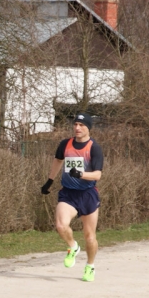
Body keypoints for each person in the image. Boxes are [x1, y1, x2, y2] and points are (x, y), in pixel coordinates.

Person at [40, 112, 104, 282]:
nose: (77, 128)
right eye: (75, 124)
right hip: (68, 193)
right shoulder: (65, 144)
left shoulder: (94, 148)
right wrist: (49, 181)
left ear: (88, 128)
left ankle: (90, 266)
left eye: (81, 125)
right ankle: (72, 246)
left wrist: (81, 174)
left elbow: (97, 175)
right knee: (61, 226)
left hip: (88, 194)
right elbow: (57, 161)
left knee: (90, 237)